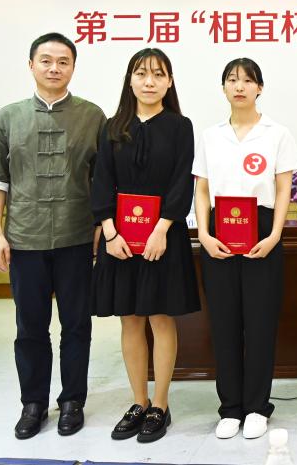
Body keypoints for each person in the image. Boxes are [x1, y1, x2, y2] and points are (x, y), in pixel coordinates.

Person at [0, 32, 106, 440]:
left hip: (76, 238)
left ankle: (72, 401)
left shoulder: (92, 116)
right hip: (25, 239)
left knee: (76, 325)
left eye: (63, 61)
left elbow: (104, 180)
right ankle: (33, 403)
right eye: (46, 60)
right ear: (31, 65)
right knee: (30, 327)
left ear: (73, 68)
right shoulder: (9, 116)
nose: (54, 68)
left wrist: (100, 227)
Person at [91, 48, 199, 443]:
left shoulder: (180, 126)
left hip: (162, 239)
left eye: (158, 74)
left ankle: (161, 404)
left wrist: (162, 228)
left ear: (169, 82)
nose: (149, 81)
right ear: (130, 80)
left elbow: (182, 180)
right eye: (141, 73)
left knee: (160, 317)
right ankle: (138, 402)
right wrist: (110, 231)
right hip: (120, 241)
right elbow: (101, 180)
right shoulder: (112, 126)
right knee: (130, 319)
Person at [193, 58, 297, 439]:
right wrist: (204, 235)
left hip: (262, 230)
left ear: (259, 88)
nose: (239, 86)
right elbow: (202, 189)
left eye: (247, 80)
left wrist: (274, 235)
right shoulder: (211, 136)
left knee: (260, 323)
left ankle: (256, 406)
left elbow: (284, 188)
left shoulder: (277, 133)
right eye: (232, 80)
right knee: (224, 324)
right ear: (224, 88)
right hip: (219, 232)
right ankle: (230, 408)